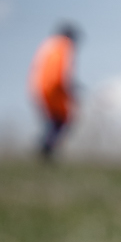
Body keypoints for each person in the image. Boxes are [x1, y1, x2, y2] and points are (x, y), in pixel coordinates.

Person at [28, 23, 79, 163]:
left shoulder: (49, 45)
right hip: (53, 89)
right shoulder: (63, 46)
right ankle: (46, 149)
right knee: (61, 119)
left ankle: (45, 149)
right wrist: (69, 89)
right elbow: (59, 73)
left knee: (54, 121)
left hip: (39, 87)